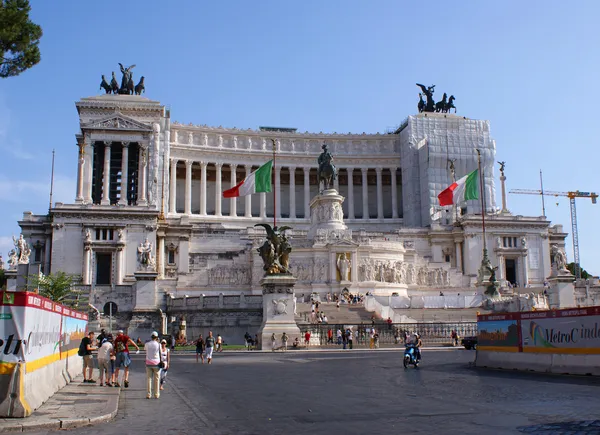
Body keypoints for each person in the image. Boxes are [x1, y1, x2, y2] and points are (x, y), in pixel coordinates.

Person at [145, 332, 161, 399]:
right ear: (157, 337)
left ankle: (149, 394)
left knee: (149, 379)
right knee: (157, 379)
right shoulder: (158, 344)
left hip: (148, 362)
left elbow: (145, 350)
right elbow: (160, 352)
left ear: (151, 337)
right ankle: (156, 394)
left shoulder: (147, 344)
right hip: (156, 363)